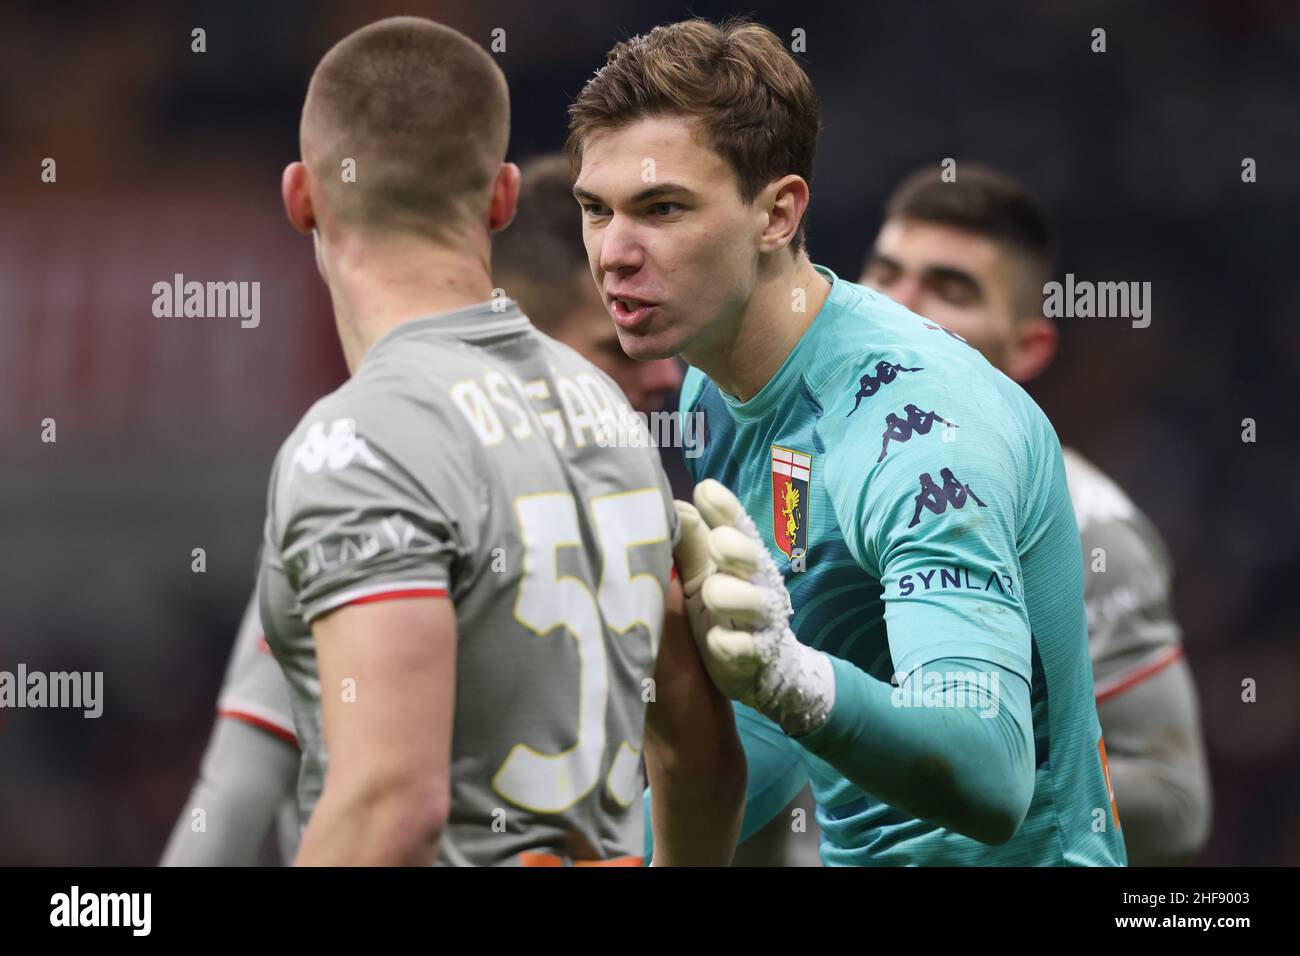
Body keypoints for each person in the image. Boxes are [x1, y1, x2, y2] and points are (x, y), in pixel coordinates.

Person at [186, 16, 745, 867]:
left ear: (301, 197)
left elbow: (390, 805)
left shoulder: (357, 443)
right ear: (504, 197)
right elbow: (699, 755)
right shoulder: (607, 410)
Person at [569, 16, 1125, 864]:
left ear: (778, 213)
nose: (613, 253)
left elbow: (994, 773)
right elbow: (771, 716)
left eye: (662, 209)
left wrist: (793, 680)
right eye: (594, 209)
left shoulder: (920, 433)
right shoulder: (713, 382)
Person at [860, 163, 1212, 864]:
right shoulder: (793, 473)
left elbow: (1174, 803)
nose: (898, 306)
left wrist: (969, 783)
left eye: (949, 288)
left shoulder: (1087, 527)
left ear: (1027, 348)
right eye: (886, 273)